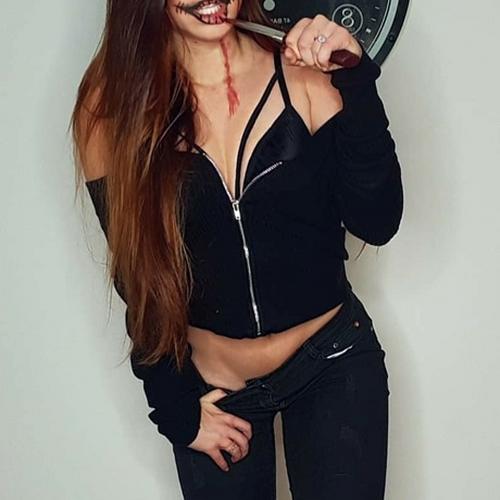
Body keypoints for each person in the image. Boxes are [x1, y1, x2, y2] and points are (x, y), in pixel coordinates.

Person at [71, 0, 403, 498]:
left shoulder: (301, 70)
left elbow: (377, 221)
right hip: (215, 389)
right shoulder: (111, 108)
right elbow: (139, 277)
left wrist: (356, 80)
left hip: (333, 362)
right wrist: (176, 409)